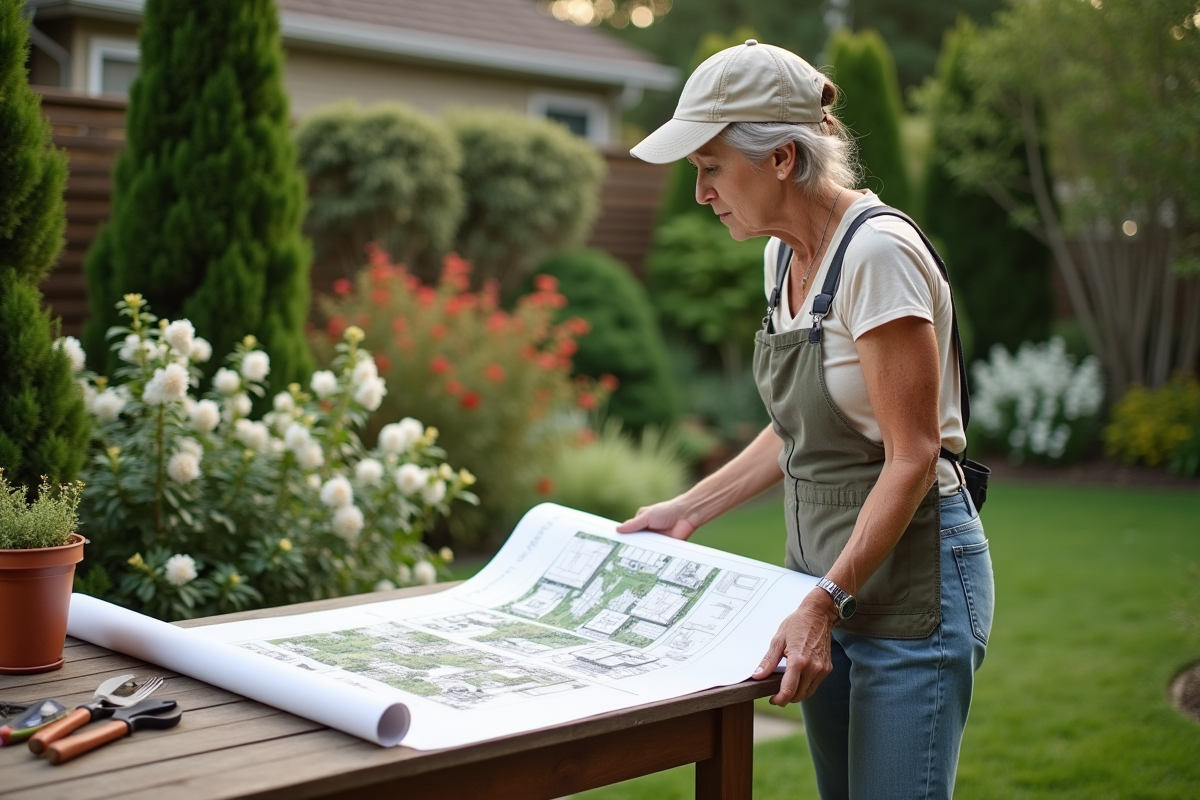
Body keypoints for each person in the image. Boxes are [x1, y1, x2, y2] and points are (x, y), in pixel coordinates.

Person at [616, 40, 995, 799]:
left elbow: (913, 454)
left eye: (711, 167)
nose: (701, 193)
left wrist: (825, 601)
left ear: (783, 158)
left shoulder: (876, 255)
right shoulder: (780, 259)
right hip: (826, 576)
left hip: (911, 579)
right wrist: (689, 509)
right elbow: (799, 429)